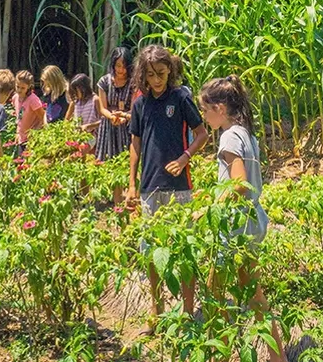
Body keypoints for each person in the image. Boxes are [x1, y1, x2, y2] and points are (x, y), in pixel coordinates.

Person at [199, 75, 288, 362]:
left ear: (220, 108)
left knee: (215, 292)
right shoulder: (246, 134)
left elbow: (238, 183)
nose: (203, 115)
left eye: (205, 109)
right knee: (254, 293)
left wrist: (209, 209)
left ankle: (219, 354)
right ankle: (278, 357)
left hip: (234, 225)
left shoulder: (228, 136)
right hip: (252, 220)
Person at [127, 45, 209, 324]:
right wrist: (131, 183)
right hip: (149, 186)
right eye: (151, 75)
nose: (157, 79)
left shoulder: (181, 96)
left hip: (179, 186)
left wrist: (185, 158)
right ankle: (156, 309)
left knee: (183, 248)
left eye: (161, 73)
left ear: (170, 71)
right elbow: (135, 144)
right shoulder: (140, 103)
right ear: (143, 76)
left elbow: (202, 134)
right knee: (150, 250)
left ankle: (187, 311)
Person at [95, 47, 135, 162]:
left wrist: (123, 116)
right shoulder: (104, 82)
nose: (121, 70)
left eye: (124, 66)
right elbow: (102, 108)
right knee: (105, 160)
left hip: (126, 124)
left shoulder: (133, 84)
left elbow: (133, 108)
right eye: (118, 65)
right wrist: (112, 117)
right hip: (108, 124)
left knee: (125, 160)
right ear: (113, 64)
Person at [12, 70, 46, 148]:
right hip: (21, 138)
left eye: (23, 88)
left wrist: (35, 133)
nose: (19, 90)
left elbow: (43, 118)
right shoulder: (15, 98)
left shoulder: (33, 100)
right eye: (17, 87)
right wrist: (18, 132)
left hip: (32, 139)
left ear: (29, 87)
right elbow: (19, 117)